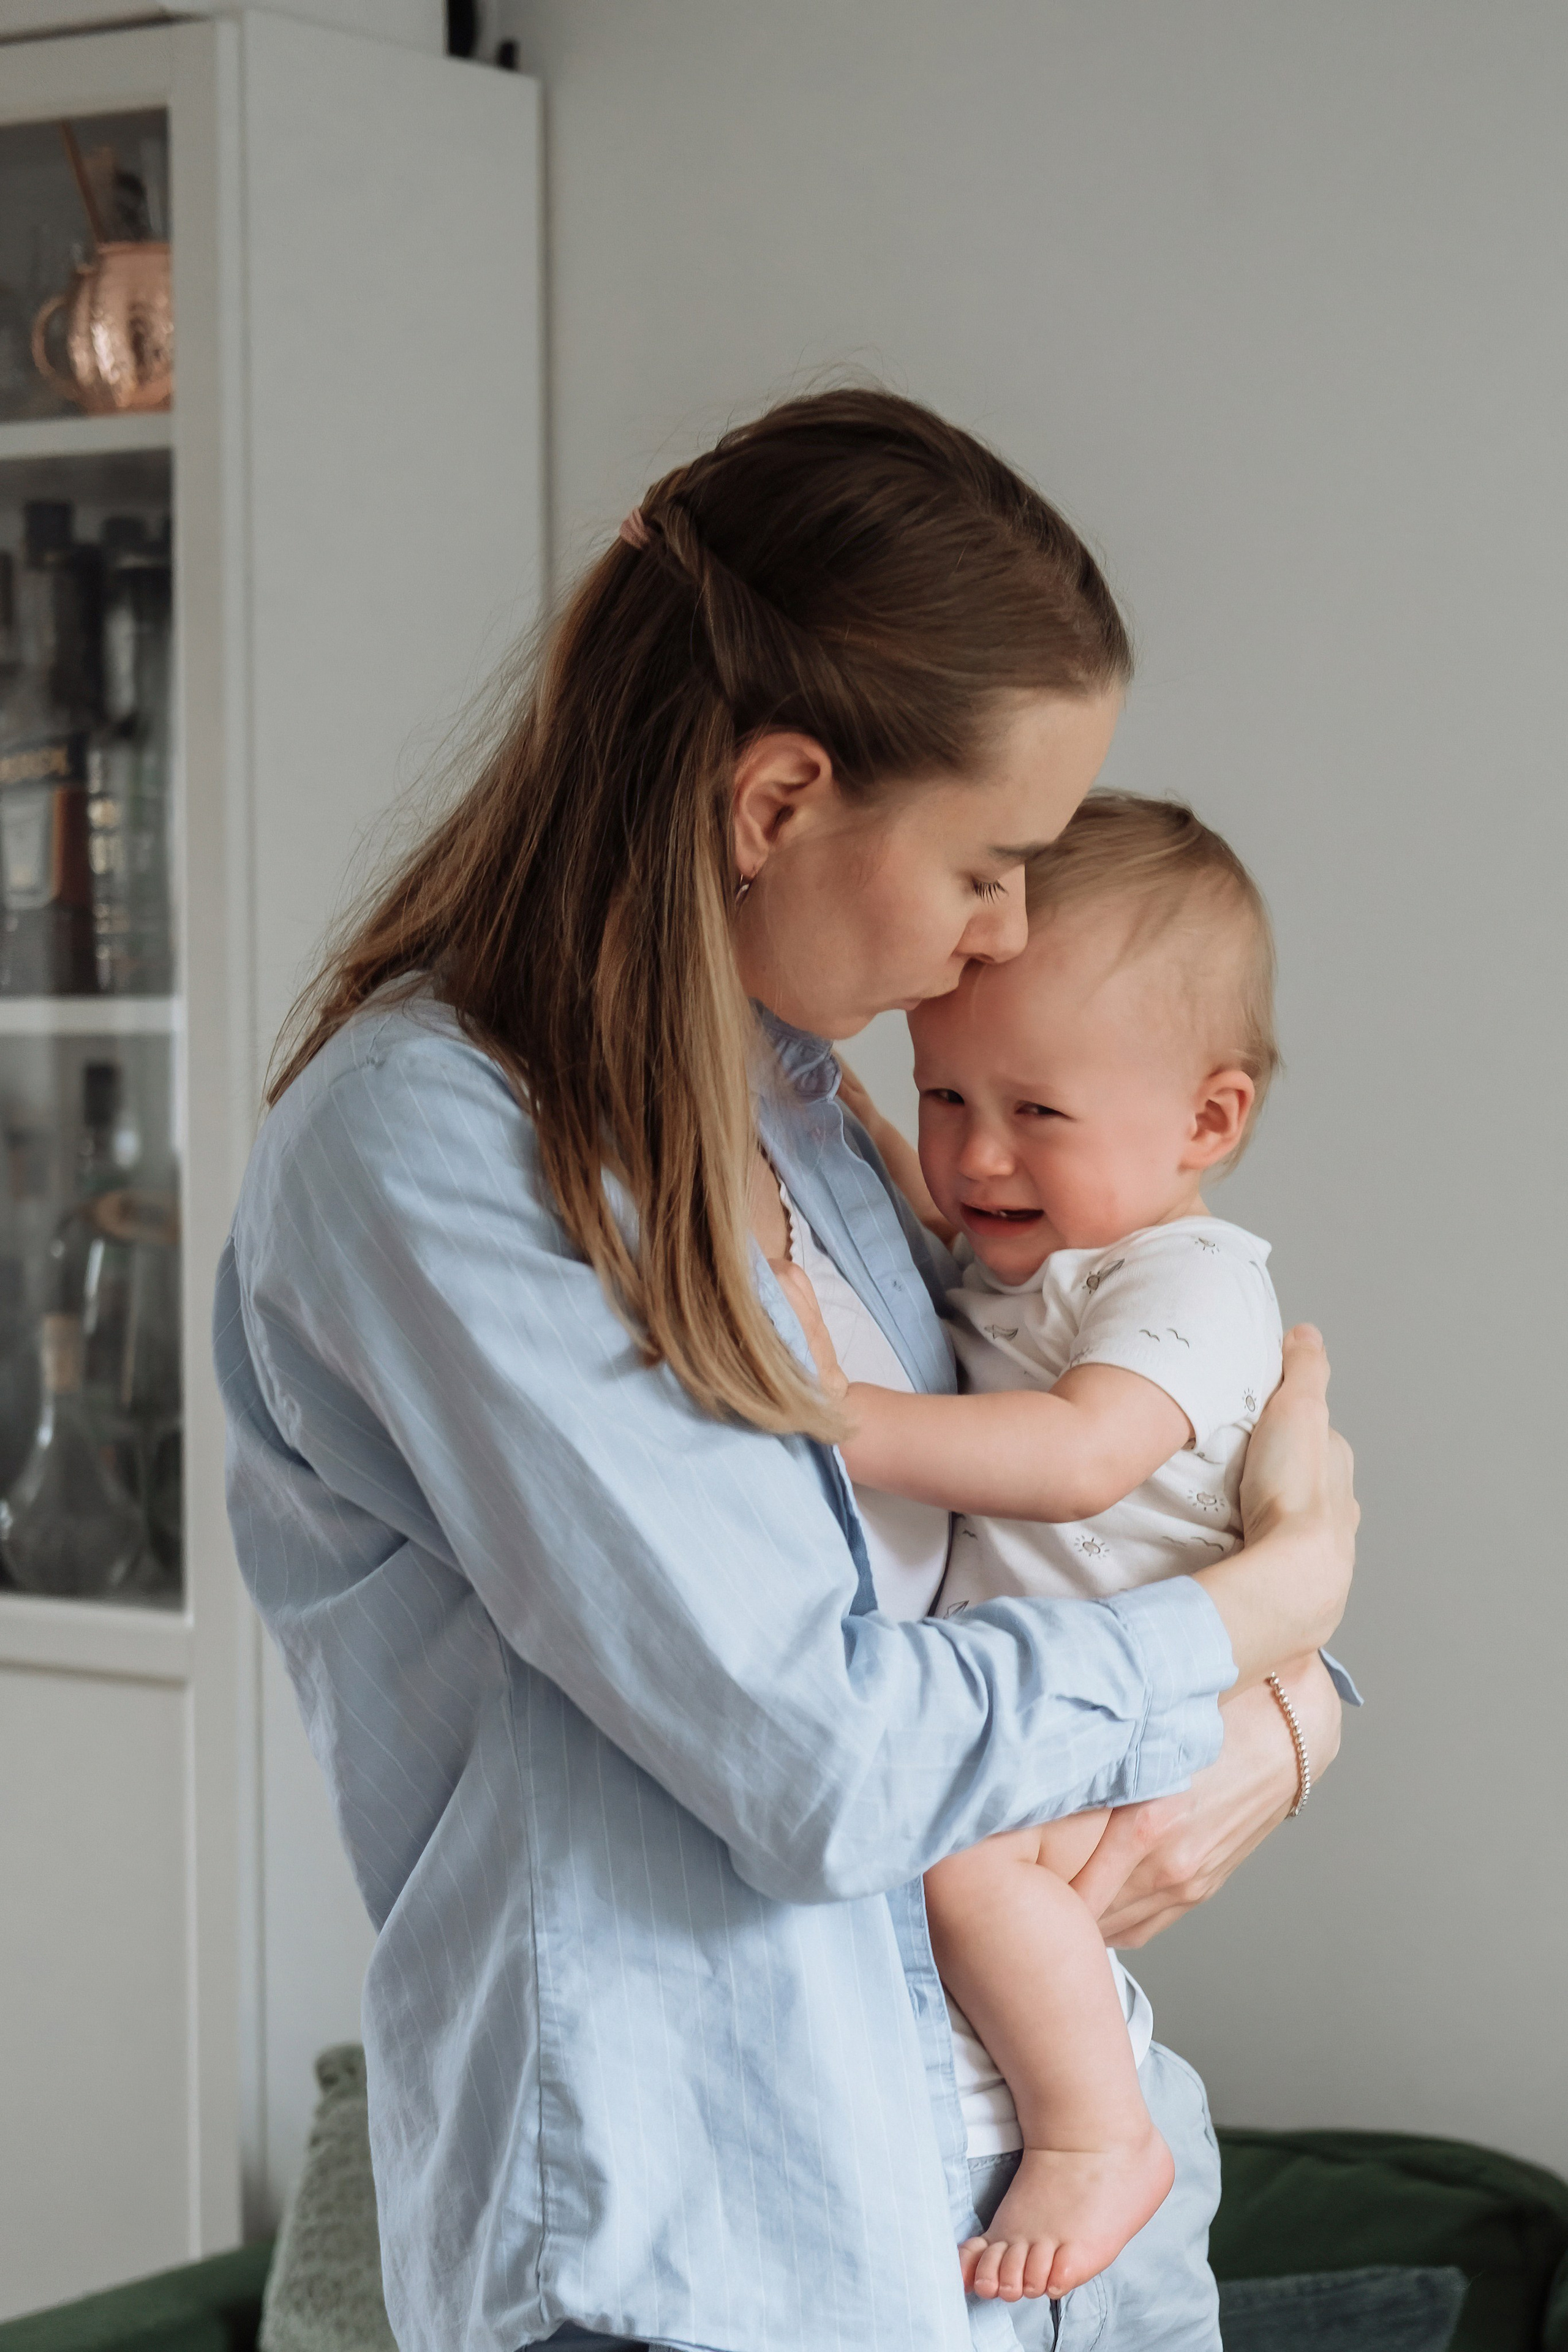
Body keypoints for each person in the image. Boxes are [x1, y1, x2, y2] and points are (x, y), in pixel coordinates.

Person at [216, 390, 1356, 2352]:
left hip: (1046, 2235)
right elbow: (815, 1758)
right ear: (774, 803)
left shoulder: (814, 1119)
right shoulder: (439, 1153)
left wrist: (1297, 1705)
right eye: (989, 861)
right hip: (717, 2264)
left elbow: (1095, 1501)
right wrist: (1249, 1628)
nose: (1006, 930)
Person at [783, 792, 1351, 2332]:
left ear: (1205, 1123)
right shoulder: (1034, 1238)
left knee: (971, 1872)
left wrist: (848, 1426)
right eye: (944, 1092)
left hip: (1126, 1705)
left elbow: (1083, 1454)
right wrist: (835, 1108)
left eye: (1034, 1113)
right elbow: (925, 1220)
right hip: (1075, 1687)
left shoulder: (1190, 1284)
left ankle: (1098, 2135)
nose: (975, 1155)